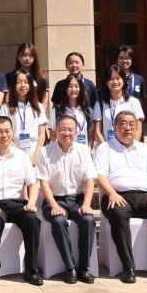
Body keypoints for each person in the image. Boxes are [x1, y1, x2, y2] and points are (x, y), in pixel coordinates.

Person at [94, 110, 147, 284]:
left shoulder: (144, 149)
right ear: (114, 127)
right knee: (118, 214)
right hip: (117, 196)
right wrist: (112, 193)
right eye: (123, 124)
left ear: (137, 128)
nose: (127, 128)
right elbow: (99, 176)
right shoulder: (105, 148)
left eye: (132, 124)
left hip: (145, 196)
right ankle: (128, 267)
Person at [0, 116, 43, 287]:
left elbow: (33, 184)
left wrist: (31, 202)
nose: (4, 135)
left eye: (7, 131)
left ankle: (31, 270)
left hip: (17, 203)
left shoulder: (22, 156)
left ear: (12, 132)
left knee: (32, 219)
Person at [37, 115, 98, 284]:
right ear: (55, 131)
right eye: (62, 129)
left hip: (77, 200)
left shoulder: (83, 150)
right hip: (54, 200)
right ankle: (70, 267)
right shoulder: (45, 152)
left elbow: (89, 180)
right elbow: (44, 183)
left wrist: (86, 204)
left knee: (88, 220)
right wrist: (54, 205)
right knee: (58, 221)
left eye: (70, 130)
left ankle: (83, 267)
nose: (66, 133)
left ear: (77, 132)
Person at [1, 70, 47, 162]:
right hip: (13, 148)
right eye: (18, 82)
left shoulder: (38, 107)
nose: (22, 85)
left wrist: (36, 155)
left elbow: (42, 133)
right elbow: (4, 133)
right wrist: (17, 153)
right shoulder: (5, 107)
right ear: (13, 85)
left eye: (26, 82)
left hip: (34, 149)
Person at [93, 65, 145, 143]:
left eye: (118, 78)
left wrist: (131, 147)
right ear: (106, 83)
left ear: (123, 81)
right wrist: (106, 148)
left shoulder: (134, 102)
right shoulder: (100, 104)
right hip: (107, 147)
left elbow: (138, 129)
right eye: (111, 79)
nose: (115, 82)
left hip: (129, 147)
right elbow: (97, 132)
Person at [50, 76, 93, 148]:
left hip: (82, 152)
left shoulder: (88, 111)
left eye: (76, 86)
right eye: (70, 86)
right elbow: (53, 136)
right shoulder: (57, 110)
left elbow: (91, 136)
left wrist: (88, 150)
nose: (73, 89)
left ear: (81, 89)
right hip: (63, 152)